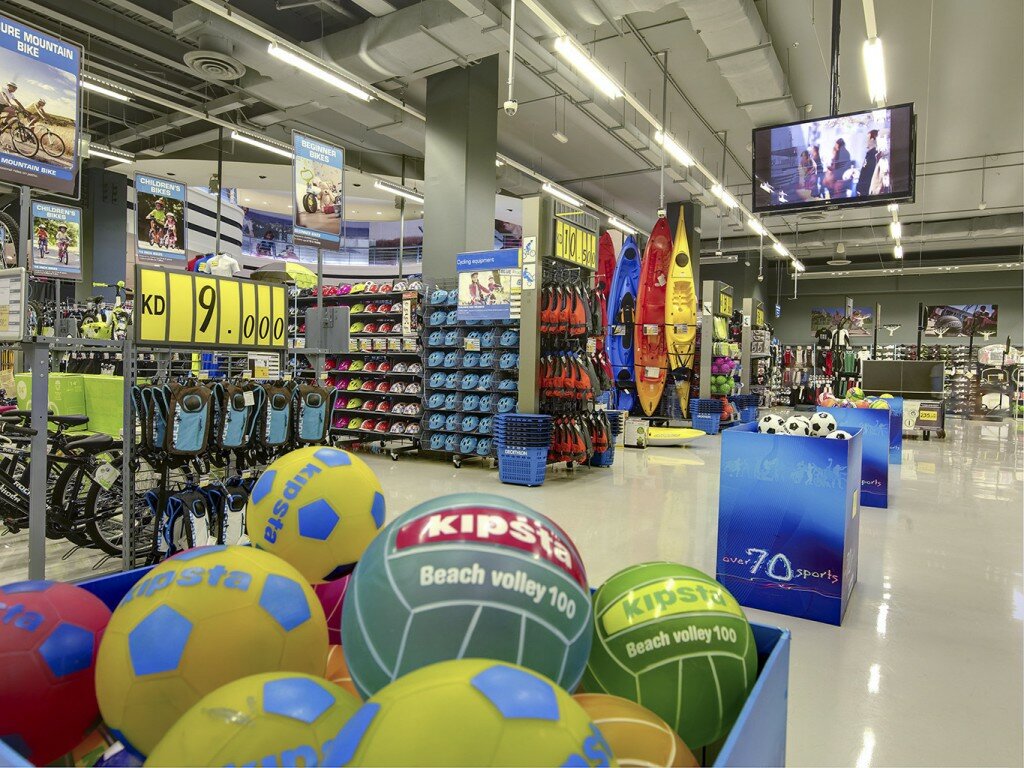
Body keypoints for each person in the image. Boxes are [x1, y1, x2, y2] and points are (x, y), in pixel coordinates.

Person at [856, 130, 879, 197]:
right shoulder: (869, 154)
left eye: (867, 139)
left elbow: (869, 174)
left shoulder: (873, 155)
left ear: (872, 140)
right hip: (862, 190)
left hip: (866, 192)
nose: (866, 141)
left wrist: (863, 190)